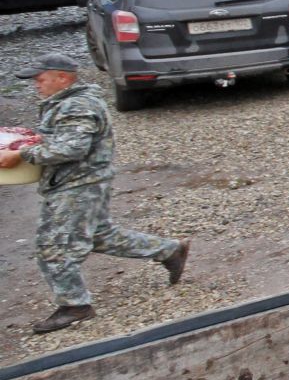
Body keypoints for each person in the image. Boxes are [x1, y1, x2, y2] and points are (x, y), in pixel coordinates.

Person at [0, 53, 189, 334]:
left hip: (79, 185)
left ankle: (74, 305)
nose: (35, 86)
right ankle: (169, 250)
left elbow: (73, 148)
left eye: (39, 79)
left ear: (62, 77)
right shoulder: (65, 102)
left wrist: (22, 154)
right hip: (78, 182)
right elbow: (65, 140)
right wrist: (37, 140)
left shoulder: (77, 105)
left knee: (53, 247)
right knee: (99, 235)